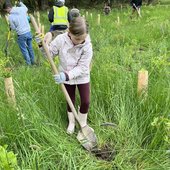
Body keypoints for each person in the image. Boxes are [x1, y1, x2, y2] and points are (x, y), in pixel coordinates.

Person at [44, 17, 93, 134]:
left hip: (81, 76)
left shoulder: (87, 45)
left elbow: (82, 67)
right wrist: (42, 45)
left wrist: (66, 75)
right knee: (69, 99)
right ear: (69, 32)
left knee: (85, 101)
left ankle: (82, 124)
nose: (81, 41)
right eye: (77, 38)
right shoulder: (61, 40)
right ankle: (72, 122)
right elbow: (49, 55)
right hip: (65, 76)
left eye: (83, 38)